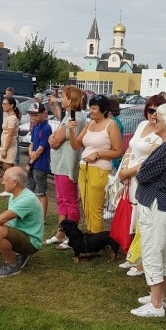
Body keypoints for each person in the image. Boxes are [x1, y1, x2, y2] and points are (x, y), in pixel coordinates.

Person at [127, 103, 166, 318]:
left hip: (158, 204)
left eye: (158, 118)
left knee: (153, 252)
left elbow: (143, 175)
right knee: (161, 252)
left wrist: (143, 167)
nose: (153, 120)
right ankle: (159, 297)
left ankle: (155, 305)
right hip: (163, 204)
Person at [117, 95, 166, 278]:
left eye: (157, 110)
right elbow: (130, 148)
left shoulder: (161, 133)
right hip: (130, 176)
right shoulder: (140, 125)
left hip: (145, 178)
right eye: (150, 110)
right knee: (133, 218)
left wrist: (128, 172)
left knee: (143, 221)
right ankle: (133, 255)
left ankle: (142, 263)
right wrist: (124, 169)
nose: (153, 114)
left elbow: (150, 159)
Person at [0, 166, 44, 278]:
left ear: (14, 182)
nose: (2, 182)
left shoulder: (27, 199)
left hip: (31, 241)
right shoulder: (14, 196)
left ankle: (12, 265)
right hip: (19, 235)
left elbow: (0, 219)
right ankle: (17, 254)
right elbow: (8, 222)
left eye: (5, 180)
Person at [68, 94, 123, 233]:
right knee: (86, 206)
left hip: (100, 170)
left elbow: (118, 151)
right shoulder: (89, 124)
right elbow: (76, 145)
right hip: (84, 168)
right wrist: (71, 130)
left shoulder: (111, 125)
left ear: (103, 110)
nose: (91, 111)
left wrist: (98, 154)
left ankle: (95, 241)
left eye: (94, 108)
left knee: (95, 208)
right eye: (90, 108)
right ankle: (90, 238)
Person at [44, 86, 86, 250]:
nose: (62, 99)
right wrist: (52, 138)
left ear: (71, 99)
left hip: (68, 165)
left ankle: (73, 236)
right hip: (60, 165)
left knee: (70, 202)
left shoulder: (77, 117)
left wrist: (52, 138)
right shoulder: (68, 116)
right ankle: (61, 233)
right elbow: (54, 139)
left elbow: (56, 140)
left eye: (64, 96)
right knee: (61, 200)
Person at [24, 101, 52, 217]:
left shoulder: (47, 128)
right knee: (29, 189)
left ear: (43, 114)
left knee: (41, 192)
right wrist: (30, 152)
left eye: (36, 115)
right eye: (31, 115)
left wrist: (30, 162)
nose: (33, 118)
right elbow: (32, 143)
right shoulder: (35, 127)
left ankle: (42, 217)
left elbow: (40, 149)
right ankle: (30, 213)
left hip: (40, 164)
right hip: (33, 161)